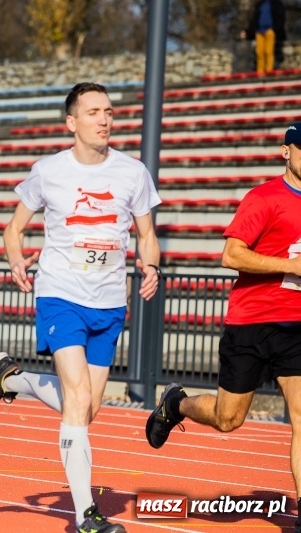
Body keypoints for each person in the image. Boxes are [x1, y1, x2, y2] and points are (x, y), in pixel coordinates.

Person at [0, 82, 162, 533]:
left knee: (88, 408)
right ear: (72, 123)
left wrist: (151, 264)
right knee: (76, 400)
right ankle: (85, 516)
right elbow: (13, 229)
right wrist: (17, 258)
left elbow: (147, 234)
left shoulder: (133, 173)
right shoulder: (49, 171)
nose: (104, 119)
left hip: (111, 302)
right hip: (61, 295)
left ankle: (11, 381)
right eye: (94, 112)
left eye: (109, 111)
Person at [146, 122, 301, 533]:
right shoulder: (263, 198)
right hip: (251, 323)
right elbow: (231, 255)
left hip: (297, 327)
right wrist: (290, 265)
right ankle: (175, 404)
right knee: (228, 419)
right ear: (287, 151)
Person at [240, 0, 286, 75]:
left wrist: (275, 29)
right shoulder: (260, 4)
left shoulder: (276, 3)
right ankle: (260, 72)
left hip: (270, 31)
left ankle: (269, 71)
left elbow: (281, 17)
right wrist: (248, 32)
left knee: (268, 51)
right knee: (259, 52)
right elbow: (254, 20)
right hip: (259, 31)